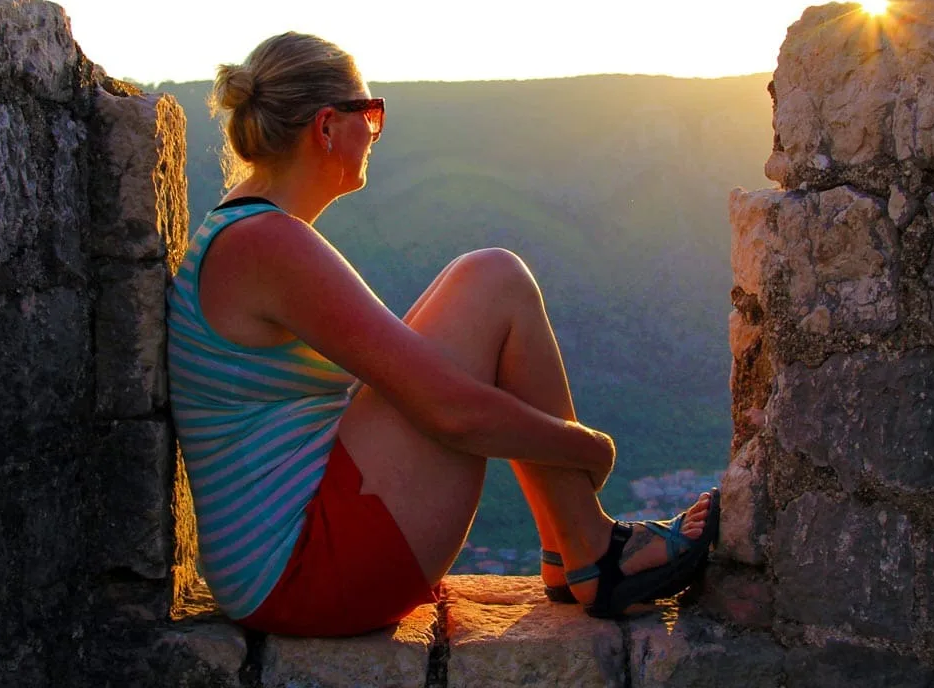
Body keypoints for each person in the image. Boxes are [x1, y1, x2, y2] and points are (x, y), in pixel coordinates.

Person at [166, 32, 719, 637]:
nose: (376, 132)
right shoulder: (268, 244)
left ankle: (575, 548)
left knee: (480, 282)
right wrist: (588, 447)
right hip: (304, 574)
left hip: (275, 563)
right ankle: (592, 549)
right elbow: (453, 412)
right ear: (326, 127)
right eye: (370, 114)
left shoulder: (242, 232)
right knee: (495, 279)